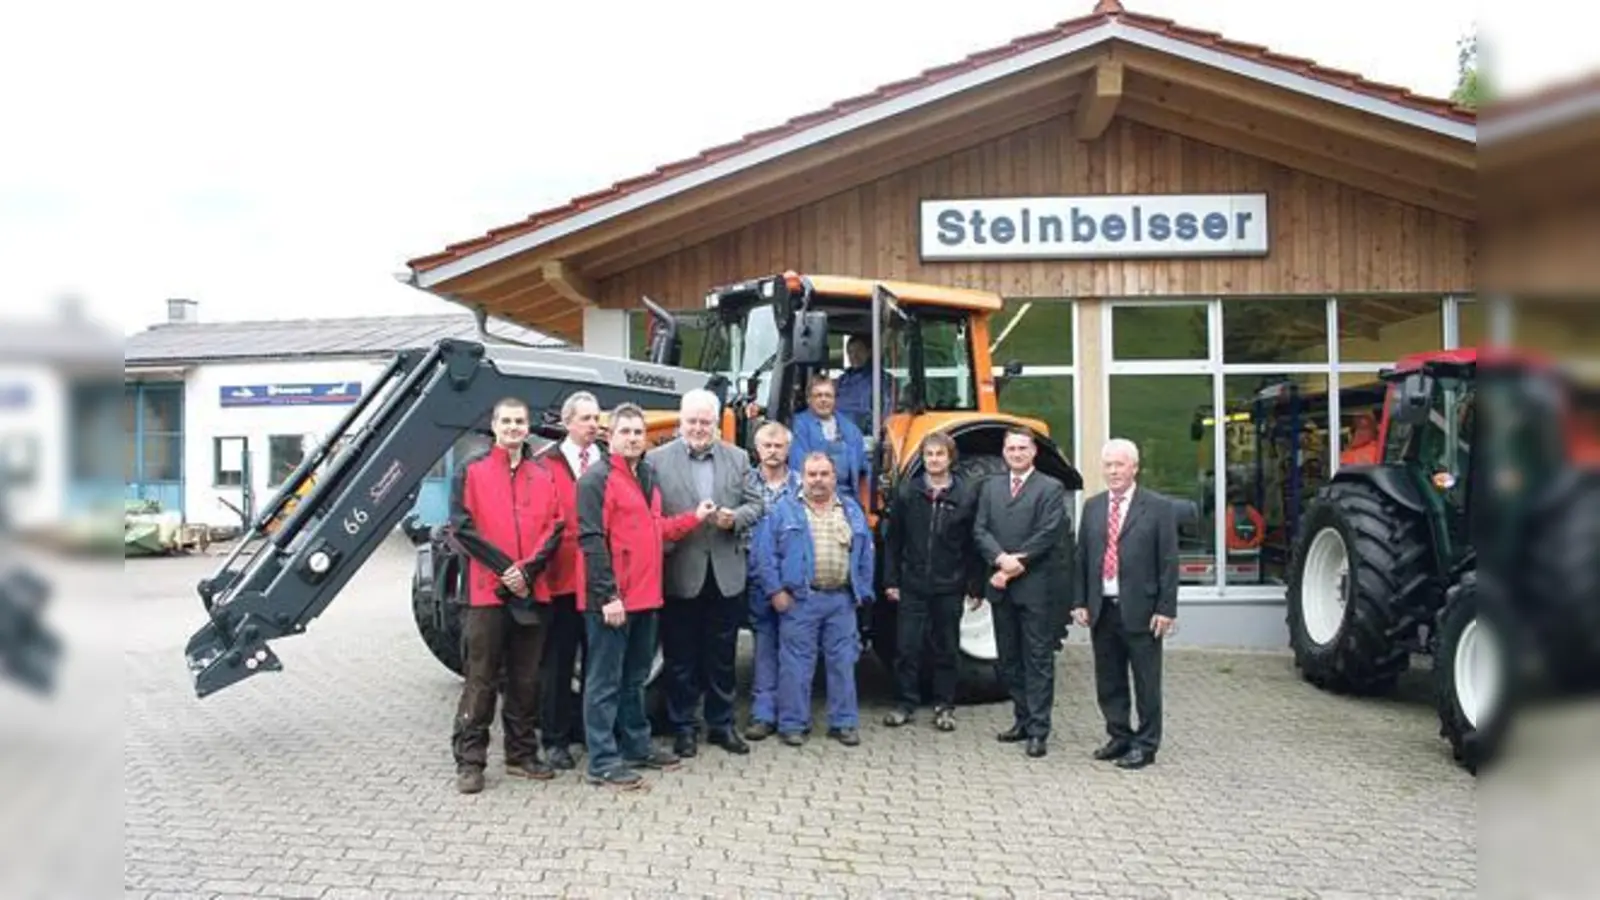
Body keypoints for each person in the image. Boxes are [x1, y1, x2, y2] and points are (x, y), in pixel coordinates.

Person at [577, 403, 717, 789]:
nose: (633, 438)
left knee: (634, 678)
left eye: (639, 432)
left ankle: (636, 746)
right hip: (612, 601)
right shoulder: (595, 481)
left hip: (645, 597)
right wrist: (607, 595)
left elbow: (655, 530)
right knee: (604, 681)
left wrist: (694, 518)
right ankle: (603, 761)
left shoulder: (647, 476)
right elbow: (591, 541)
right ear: (610, 436)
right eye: (625, 432)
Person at [445, 397, 565, 794]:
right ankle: (470, 760)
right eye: (507, 421)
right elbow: (462, 527)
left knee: (526, 679)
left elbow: (556, 526)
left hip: (532, 590)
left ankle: (521, 753)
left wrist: (526, 571)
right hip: (486, 593)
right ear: (494, 426)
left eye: (520, 421)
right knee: (480, 679)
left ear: (528, 426)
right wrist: (505, 569)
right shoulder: (472, 470)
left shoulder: (543, 474)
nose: (514, 428)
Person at [647, 389, 765, 759]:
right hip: (681, 569)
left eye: (705, 422)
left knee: (722, 655)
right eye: (692, 422)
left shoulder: (739, 457)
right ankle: (684, 727)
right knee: (680, 657)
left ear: (717, 425)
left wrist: (735, 518)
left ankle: (722, 724)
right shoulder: (656, 460)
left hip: (725, 572)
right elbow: (651, 517)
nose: (699, 428)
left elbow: (757, 504)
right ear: (681, 422)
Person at [752, 451, 874, 747]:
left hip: (841, 601)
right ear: (802, 477)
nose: (818, 480)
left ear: (834, 477)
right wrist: (776, 592)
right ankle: (793, 723)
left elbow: (866, 553)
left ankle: (843, 723)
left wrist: (863, 590)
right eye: (812, 474)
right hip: (800, 599)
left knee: (843, 662)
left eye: (824, 474)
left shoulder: (852, 511)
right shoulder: (784, 510)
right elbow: (763, 555)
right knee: (795, 664)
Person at [1071, 437, 1179, 771]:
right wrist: (1080, 601)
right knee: (1109, 679)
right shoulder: (1092, 506)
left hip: (1143, 611)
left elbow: (1168, 562)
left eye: (1120, 464)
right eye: (1108, 465)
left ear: (1134, 467)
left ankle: (1146, 745)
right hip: (1102, 609)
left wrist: (1166, 608)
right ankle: (1119, 736)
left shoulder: (1158, 507)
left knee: (1146, 682)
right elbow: (1082, 558)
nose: (1113, 471)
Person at [973, 427, 1070, 759]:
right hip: (1001, 586)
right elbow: (980, 528)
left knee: (1038, 660)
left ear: (1033, 452)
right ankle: (1022, 720)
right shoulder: (990, 487)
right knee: (1009, 660)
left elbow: (1048, 532)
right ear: (1004, 452)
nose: (1016, 453)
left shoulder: (1050, 488)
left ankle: (1039, 730)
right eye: (1011, 448)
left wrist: (1016, 563)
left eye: (1022, 448)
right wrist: (999, 559)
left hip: (1035, 589)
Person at [881, 432, 983, 731]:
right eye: (929, 455)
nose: (934, 460)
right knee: (907, 647)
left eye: (940, 454)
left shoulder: (965, 496)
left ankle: (944, 705)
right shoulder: (907, 493)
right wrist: (891, 579)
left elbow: (973, 545)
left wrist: (975, 585)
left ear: (950, 458)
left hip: (949, 584)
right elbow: (894, 539)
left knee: (947, 648)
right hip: (913, 582)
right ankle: (905, 703)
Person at [532, 390, 603, 771]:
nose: (594, 425)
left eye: (596, 418)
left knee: (598, 664)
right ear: (567, 422)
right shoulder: (545, 464)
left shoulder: (608, 462)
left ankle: (592, 734)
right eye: (586, 418)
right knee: (558, 664)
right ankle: (555, 739)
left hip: (599, 581)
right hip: (560, 581)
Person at [741, 421, 802, 741]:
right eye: (767, 445)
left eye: (779, 445)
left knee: (794, 648)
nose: (773, 451)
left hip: (793, 580)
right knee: (764, 645)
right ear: (757, 448)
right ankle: (763, 714)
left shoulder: (803, 486)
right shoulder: (744, 482)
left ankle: (792, 717)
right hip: (755, 578)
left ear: (788, 449)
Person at [788, 374, 870, 501]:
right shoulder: (799, 426)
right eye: (818, 395)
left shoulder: (850, 428)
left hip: (848, 497)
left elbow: (864, 466)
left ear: (835, 399)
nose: (823, 400)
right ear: (809, 399)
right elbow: (797, 467)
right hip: (812, 496)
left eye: (828, 395)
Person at [834, 334, 897, 433]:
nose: (854, 356)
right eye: (850, 352)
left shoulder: (881, 378)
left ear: (869, 352)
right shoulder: (842, 380)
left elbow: (887, 412)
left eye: (859, 350)